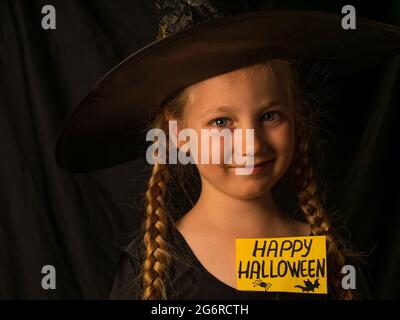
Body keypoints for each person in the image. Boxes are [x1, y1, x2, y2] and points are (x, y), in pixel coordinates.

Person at [55, 1, 400, 300]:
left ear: (297, 116)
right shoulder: (155, 270)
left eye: (269, 116)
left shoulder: (326, 261)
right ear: (179, 134)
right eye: (221, 122)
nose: (252, 144)